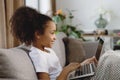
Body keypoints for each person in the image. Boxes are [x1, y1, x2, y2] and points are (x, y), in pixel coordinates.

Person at [10, 6, 97, 80]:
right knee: (108, 61)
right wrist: (66, 70)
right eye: (52, 33)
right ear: (38, 34)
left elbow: (58, 74)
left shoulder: (48, 50)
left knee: (106, 61)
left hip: (70, 77)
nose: (55, 37)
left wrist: (82, 65)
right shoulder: (38, 55)